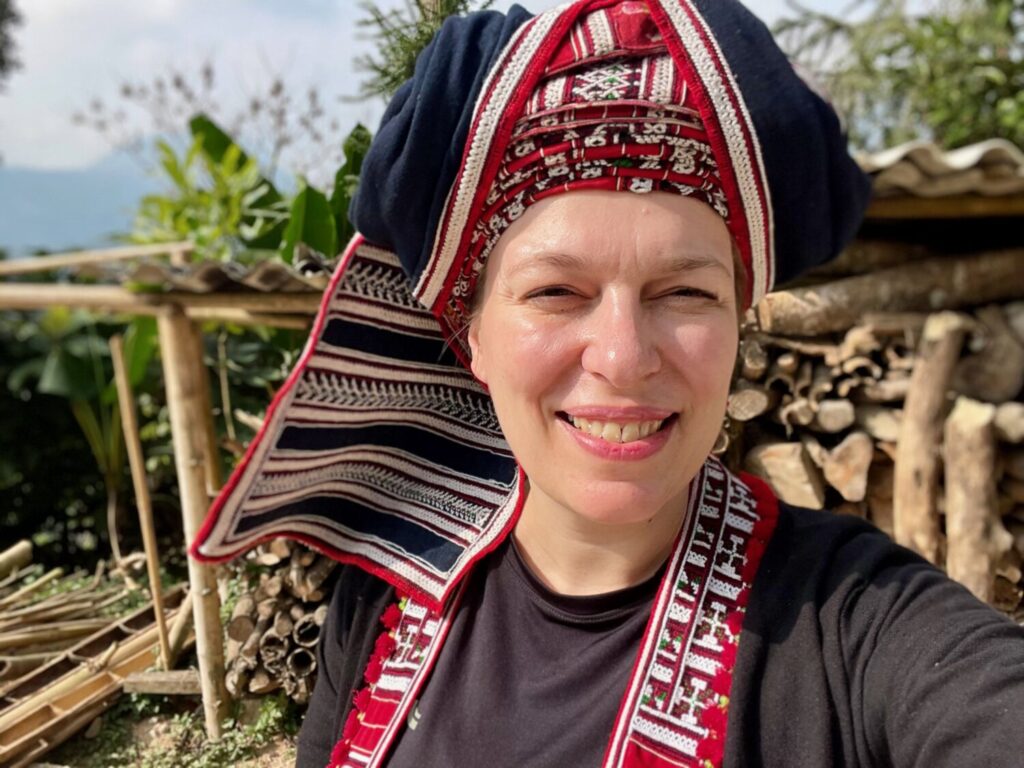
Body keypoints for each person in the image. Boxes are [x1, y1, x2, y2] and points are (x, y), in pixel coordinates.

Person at [190, 1, 1024, 766]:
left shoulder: (857, 625)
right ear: (472, 335)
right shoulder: (382, 604)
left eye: (685, 292)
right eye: (556, 291)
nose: (623, 358)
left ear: (740, 322)